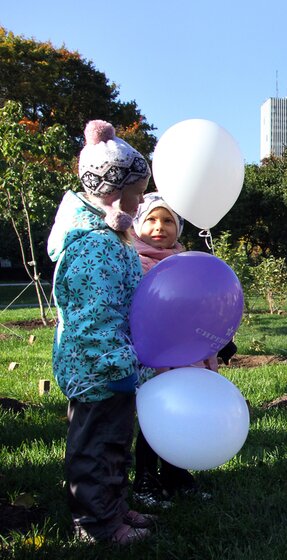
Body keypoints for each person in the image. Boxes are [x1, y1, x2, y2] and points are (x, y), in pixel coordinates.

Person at [47, 120, 155, 544]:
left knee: (114, 443)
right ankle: (97, 524)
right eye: (138, 188)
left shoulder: (111, 235)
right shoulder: (95, 245)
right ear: (113, 190)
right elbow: (92, 319)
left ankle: (113, 506)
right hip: (98, 370)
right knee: (96, 447)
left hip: (112, 364)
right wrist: (115, 365)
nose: (142, 197)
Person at [130, 193, 215, 508]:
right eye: (151, 219)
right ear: (138, 223)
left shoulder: (186, 263)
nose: (159, 227)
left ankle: (176, 475)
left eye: (168, 220)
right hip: (150, 355)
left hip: (184, 352)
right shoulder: (133, 260)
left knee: (180, 413)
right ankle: (144, 480)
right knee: (155, 417)